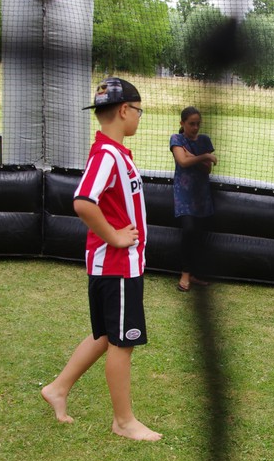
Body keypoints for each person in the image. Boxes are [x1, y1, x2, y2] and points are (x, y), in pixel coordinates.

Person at [41, 77, 161, 441]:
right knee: (123, 341)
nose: (139, 117)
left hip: (116, 266)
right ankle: (123, 422)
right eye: (139, 111)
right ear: (125, 110)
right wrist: (115, 237)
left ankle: (58, 388)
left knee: (107, 335)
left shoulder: (115, 153)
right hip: (117, 266)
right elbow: (83, 202)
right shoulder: (107, 155)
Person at [170, 106, 218, 292]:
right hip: (184, 194)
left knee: (198, 234)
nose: (195, 127)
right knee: (189, 230)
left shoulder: (204, 140)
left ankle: (194, 274)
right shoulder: (176, 139)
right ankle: (184, 273)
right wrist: (204, 156)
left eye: (198, 124)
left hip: (201, 195)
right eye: (191, 124)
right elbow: (182, 162)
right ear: (182, 123)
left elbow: (207, 169)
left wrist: (192, 156)